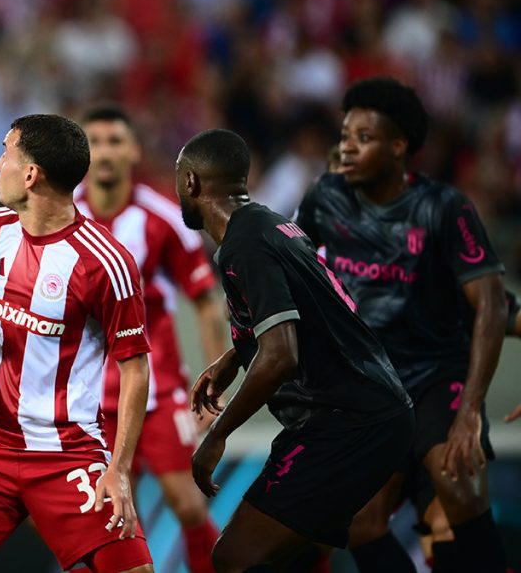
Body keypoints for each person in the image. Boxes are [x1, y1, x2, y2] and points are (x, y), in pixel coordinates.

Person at [0, 114, 155, 573]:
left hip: (68, 453)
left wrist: (120, 470)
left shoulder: (105, 262)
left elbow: (135, 367)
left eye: (5, 152)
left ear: (30, 174)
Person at [175, 128, 414, 573]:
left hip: (347, 422)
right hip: (370, 411)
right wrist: (235, 356)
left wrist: (217, 435)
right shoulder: (272, 224)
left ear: (190, 182)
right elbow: (310, 311)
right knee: (302, 557)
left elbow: (280, 356)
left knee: (234, 558)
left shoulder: (243, 245)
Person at [295, 77, 508, 573]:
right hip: (371, 389)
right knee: (360, 523)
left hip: (435, 377)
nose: (348, 146)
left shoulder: (444, 207)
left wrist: (470, 412)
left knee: (456, 481)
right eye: (345, 135)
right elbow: (289, 273)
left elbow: (495, 307)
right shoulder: (324, 198)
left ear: (398, 146)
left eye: (364, 137)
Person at [75, 103, 224, 573]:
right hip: (89, 400)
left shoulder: (163, 217)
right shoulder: (61, 214)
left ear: (133, 150)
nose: (104, 152)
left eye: (115, 141)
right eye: (94, 142)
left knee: (190, 505)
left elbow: (207, 302)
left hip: (158, 390)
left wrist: (214, 384)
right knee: (112, 519)